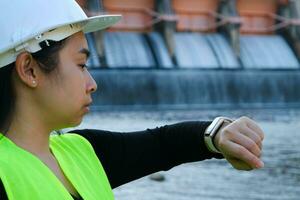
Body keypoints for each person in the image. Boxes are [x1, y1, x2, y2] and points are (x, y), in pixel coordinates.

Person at [0, 0, 264, 199]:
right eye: (81, 64)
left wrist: (218, 134)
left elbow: (162, 144)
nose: (92, 84)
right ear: (29, 70)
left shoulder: (83, 151)